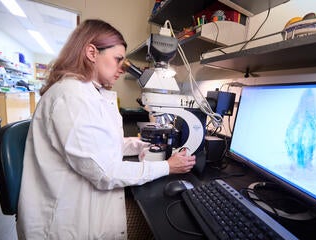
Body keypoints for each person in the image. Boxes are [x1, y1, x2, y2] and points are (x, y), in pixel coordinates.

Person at [16, 19, 196, 239]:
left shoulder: (86, 93)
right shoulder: (72, 98)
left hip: (83, 202)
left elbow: (102, 145)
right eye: (118, 59)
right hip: (67, 222)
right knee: (164, 226)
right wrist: (168, 167)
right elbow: (105, 172)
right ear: (92, 53)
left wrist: (141, 144)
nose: (122, 67)